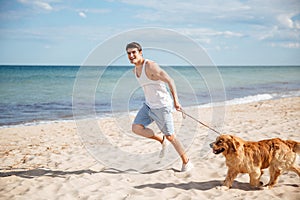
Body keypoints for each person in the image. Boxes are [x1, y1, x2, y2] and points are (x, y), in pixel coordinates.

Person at [126, 42, 193, 172]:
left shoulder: (151, 66)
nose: (131, 55)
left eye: (134, 52)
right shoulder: (135, 69)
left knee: (171, 136)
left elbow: (170, 80)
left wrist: (176, 102)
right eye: (128, 53)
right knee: (136, 128)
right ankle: (161, 139)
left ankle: (187, 162)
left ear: (140, 52)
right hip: (149, 105)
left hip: (162, 106)